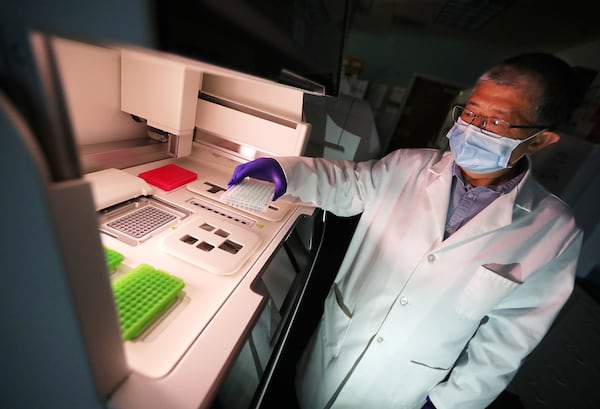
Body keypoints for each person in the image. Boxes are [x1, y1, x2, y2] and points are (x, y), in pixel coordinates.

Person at [227, 53, 583, 409]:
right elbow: (347, 184)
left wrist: (451, 404)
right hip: (332, 350)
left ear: (539, 140)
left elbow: (509, 339)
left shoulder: (552, 232)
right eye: (471, 113)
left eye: (496, 123)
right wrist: (288, 173)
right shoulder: (408, 165)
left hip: (404, 390)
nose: (473, 129)